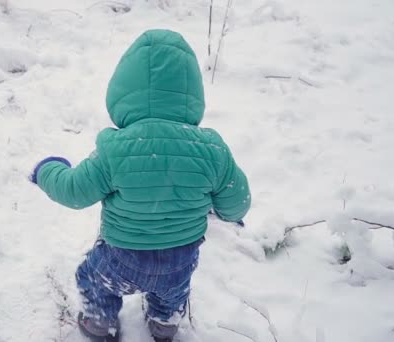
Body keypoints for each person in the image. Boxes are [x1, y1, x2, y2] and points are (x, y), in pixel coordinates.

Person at [29, 29, 251, 342]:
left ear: (123, 91)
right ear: (193, 93)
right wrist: (219, 205)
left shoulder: (116, 149)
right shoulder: (212, 149)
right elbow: (237, 201)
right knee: (172, 294)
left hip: (122, 258)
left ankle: (98, 323)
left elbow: (74, 192)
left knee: (93, 279)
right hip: (180, 259)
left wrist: (47, 170)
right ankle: (164, 323)